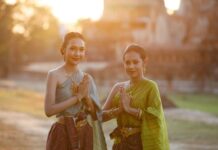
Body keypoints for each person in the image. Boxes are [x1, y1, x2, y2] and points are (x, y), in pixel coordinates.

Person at [44, 32, 107, 150]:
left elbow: (95, 115)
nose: (77, 53)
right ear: (63, 50)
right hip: (61, 133)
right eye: (72, 48)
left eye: (81, 49)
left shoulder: (87, 79)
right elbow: (48, 110)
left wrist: (86, 97)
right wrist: (77, 97)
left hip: (84, 133)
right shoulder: (54, 75)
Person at [102, 44, 169, 150]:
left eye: (135, 62)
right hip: (120, 144)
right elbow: (100, 117)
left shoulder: (150, 87)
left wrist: (129, 109)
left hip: (140, 143)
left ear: (144, 62)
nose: (131, 66)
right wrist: (118, 110)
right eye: (127, 62)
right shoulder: (118, 87)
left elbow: (155, 117)